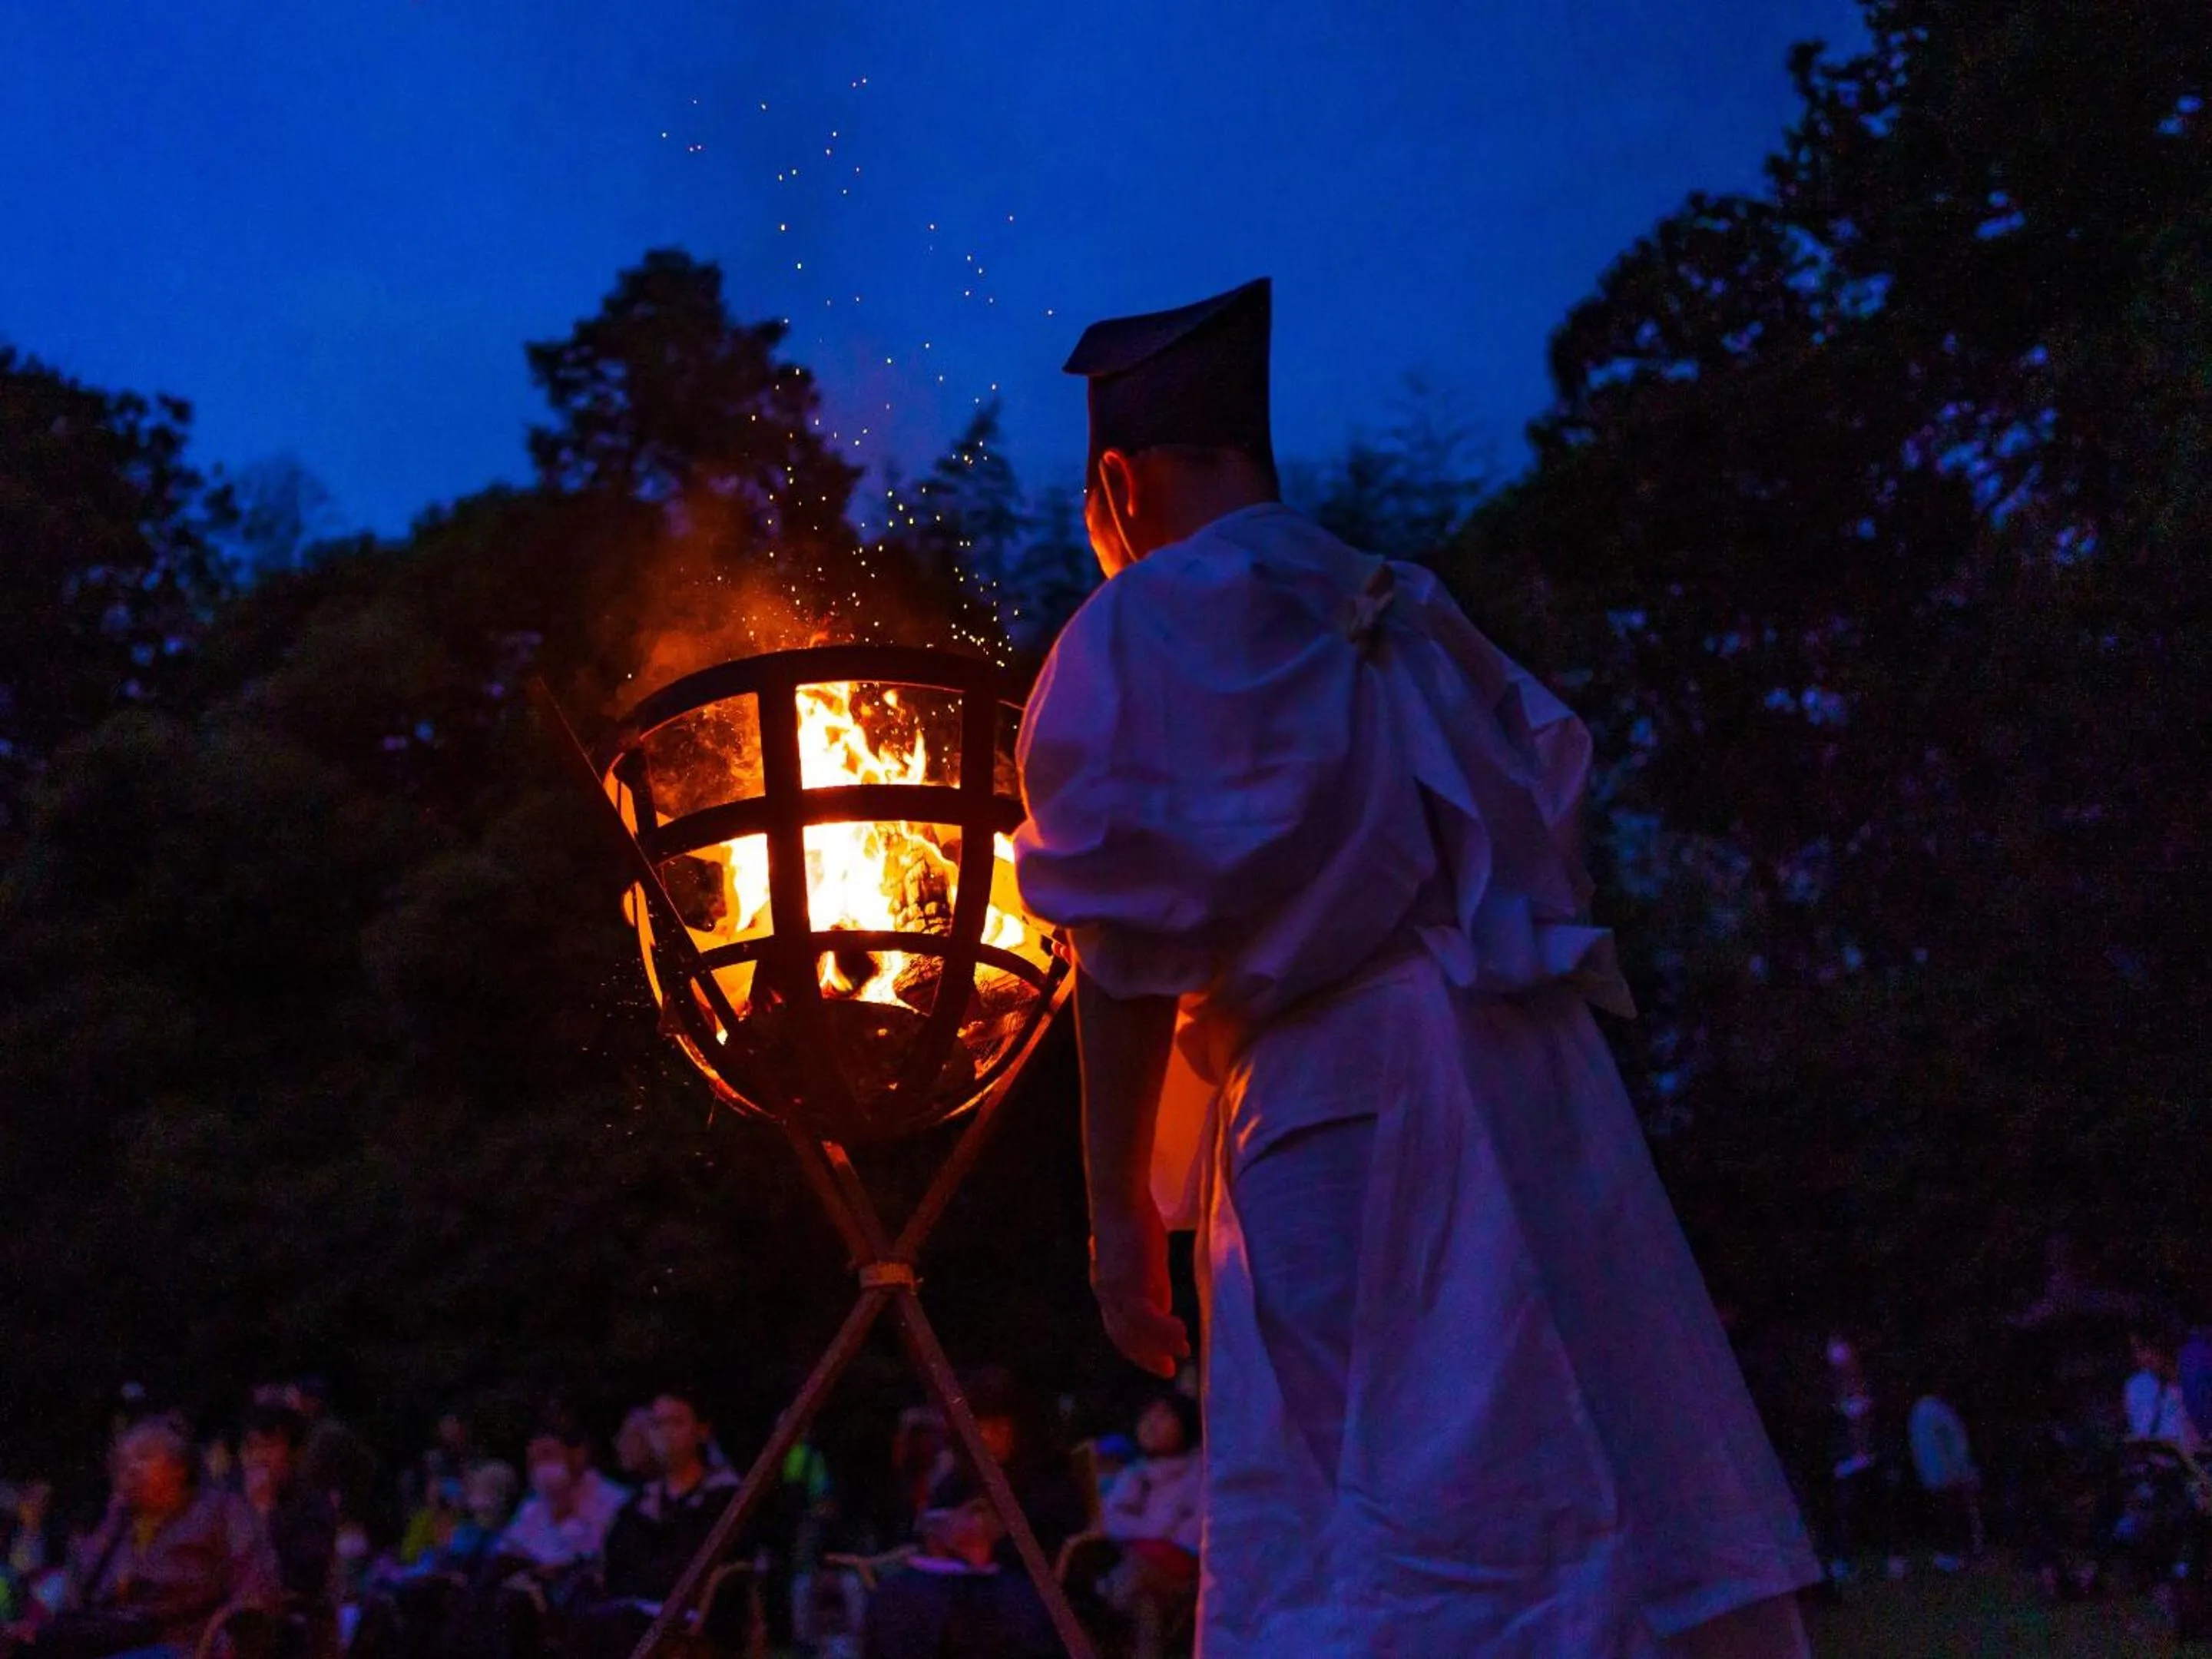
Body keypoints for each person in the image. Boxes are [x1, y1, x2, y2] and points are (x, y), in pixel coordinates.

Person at [1014, 276, 1820, 1654]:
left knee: (1399, 1529)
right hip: (1532, 1077)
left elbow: (1124, 947)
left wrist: (1117, 1228)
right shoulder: (1400, 606)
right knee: (1589, 1468)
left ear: (1116, 484)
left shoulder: (1146, 620)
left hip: (1340, 1105)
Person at [8, 1417, 279, 1658]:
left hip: (184, 1641)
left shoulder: (222, 1510)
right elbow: (81, 1596)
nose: (131, 1469)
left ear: (179, 1467)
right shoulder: (118, 1524)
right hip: (108, 1637)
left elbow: (255, 1589)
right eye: (123, 1462)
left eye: (144, 1456)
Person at [568, 1390, 739, 1659]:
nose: (666, 1434)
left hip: (687, 1619)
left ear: (701, 1431)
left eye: (676, 1423)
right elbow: (615, 1566)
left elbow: (697, 1572)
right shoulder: (638, 1504)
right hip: (630, 1608)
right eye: (658, 1425)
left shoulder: (722, 1499)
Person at [859, 1472, 1057, 1659]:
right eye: (975, 1510)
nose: (979, 1521)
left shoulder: (1019, 1594)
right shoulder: (901, 1596)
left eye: (986, 1510)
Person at [240, 1405, 340, 1609]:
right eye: (252, 1447)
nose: (259, 1458)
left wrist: (265, 1514)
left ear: (296, 1453)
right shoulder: (233, 1500)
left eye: (268, 1446)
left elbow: (301, 1578)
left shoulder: (313, 1505)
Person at [1905, 1389, 1982, 1571]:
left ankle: (1953, 1553)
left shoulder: (1925, 1410)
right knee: (1952, 1514)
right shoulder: (1934, 1411)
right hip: (1946, 1472)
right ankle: (1953, 1554)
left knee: (1949, 1513)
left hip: (1937, 1472)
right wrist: (1960, 1471)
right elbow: (1952, 1445)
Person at [2124, 1329, 2200, 1450]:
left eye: (2144, 1349)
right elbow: (2141, 1433)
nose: (2139, 1357)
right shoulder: (2136, 1386)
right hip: (2154, 1462)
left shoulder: (2196, 1379)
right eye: (2136, 1350)